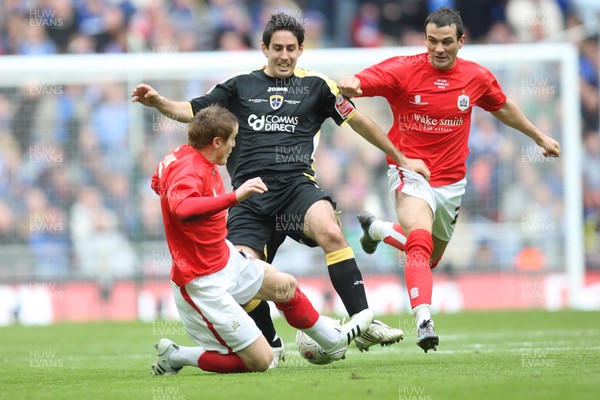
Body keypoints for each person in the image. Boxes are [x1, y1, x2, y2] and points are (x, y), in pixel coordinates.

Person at [132, 12, 405, 365]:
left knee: (331, 230)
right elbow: (191, 110)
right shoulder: (239, 86)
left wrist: (399, 156)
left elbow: (358, 121)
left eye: (291, 48)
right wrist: (158, 103)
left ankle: (362, 321)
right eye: (277, 48)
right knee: (243, 271)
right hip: (250, 193)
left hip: (295, 187)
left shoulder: (319, 87)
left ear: (301, 49)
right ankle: (271, 341)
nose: (284, 55)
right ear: (264, 48)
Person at [338, 7, 561, 353]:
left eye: (445, 42)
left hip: (451, 182)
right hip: (409, 172)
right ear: (424, 39)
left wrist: (538, 136)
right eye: (431, 41)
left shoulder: (476, 77)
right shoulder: (403, 70)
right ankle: (424, 319)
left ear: (461, 41)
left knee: (428, 257)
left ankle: (378, 230)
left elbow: (502, 107)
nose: (438, 49)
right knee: (419, 243)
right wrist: (353, 83)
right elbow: (363, 81)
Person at [150, 105, 373, 374]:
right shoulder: (188, 170)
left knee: (286, 286)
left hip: (225, 258)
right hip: (201, 281)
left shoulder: (179, 157)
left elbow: (157, 182)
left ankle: (333, 342)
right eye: (232, 139)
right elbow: (183, 210)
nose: (235, 145)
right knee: (260, 361)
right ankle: (177, 356)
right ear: (216, 142)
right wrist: (235, 197)